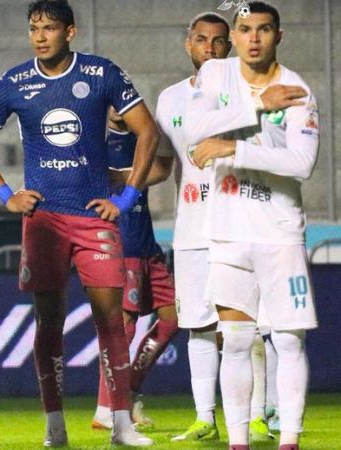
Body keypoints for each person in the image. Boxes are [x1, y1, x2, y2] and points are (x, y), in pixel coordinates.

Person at [0, 0, 159, 446]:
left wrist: (127, 196)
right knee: (49, 322)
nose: (40, 36)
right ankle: (54, 427)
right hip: (43, 221)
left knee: (110, 321)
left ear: (69, 32)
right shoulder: (15, 82)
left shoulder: (100, 74)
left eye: (49, 28)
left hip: (94, 218)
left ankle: (120, 426)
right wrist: (5, 195)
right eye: (34, 28)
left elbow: (148, 133)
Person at [184, 2, 317, 449]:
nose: (254, 38)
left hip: (279, 233)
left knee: (289, 342)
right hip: (227, 231)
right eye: (245, 29)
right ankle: (238, 442)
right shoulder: (217, 75)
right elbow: (193, 129)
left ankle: (291, 440)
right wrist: (257, 104)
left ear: (278, 36)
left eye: (263, 30)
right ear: (235, 36)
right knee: (236, 342)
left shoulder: (296, 89)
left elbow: (301, 163)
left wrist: (232, 150)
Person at [152, 11, 278, 443]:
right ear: (189, 44)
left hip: (241, 227)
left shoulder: (250, 93)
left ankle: (258, 416)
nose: (210, 47)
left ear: (231, 46)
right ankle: (204, 417)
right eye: (202, 39)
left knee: (249, 327)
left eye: (219, 40)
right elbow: (164, 165)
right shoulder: (169, 99)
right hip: (191, 231)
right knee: (199, 325)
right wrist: (117, 181)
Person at [90, 109, 179, 432]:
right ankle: (105, 408)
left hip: (148, 246)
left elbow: (161, 170)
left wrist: (124, 174)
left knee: (172, 318)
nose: (120, 108)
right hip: (122, 245)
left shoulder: (144, 138)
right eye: (112, 103)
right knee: (122, 326)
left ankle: (131, 388)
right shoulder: (99, 144)